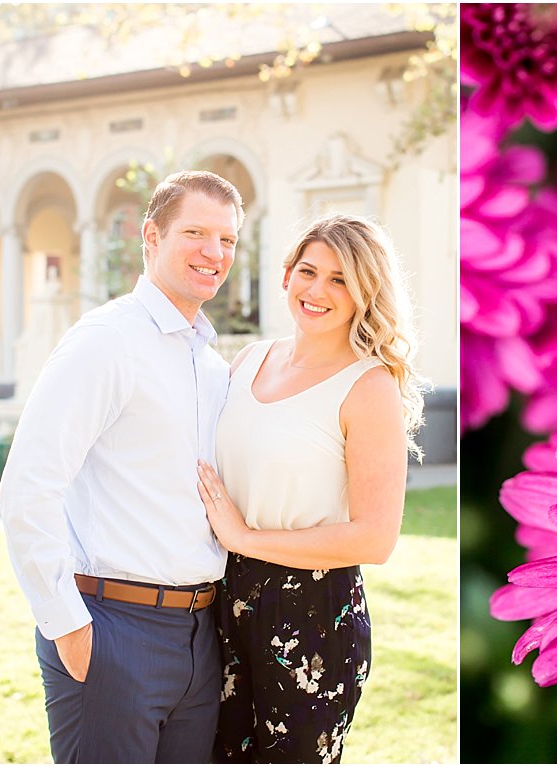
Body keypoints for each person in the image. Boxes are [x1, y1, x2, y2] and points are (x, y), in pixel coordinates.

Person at [0, 170, 243, 762]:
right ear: (151, 236)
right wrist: (68, 626)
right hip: (111, 630)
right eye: (196, 233)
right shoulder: (106, 342)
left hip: (198, 635)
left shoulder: (209, 364)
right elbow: (28, 485)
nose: (214, 253)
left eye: (228, 240)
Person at [197, 214, 426, 762]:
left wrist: (243, 537)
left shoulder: (369, 386)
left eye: (340, 279)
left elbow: (376, 539)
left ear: (364, 293)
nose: (317, 290)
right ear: (285, 276)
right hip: (220, 599)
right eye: (308, 271)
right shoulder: (250, 360)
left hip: (311, 614)